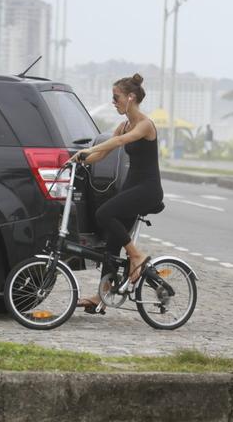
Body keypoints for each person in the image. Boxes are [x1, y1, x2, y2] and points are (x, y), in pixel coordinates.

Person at [69, 73, 163, 314]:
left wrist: (89, 149)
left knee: (104, 214)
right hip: (132, 187)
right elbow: (102, 154)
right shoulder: (124, 124)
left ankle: (137, 257)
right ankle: (103, 294)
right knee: (111, 241)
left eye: (116, 97)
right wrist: (80, 160)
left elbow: (119, 142)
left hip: (148, 190)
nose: (114, 102)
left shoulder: (144, 125)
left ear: (131, 98)